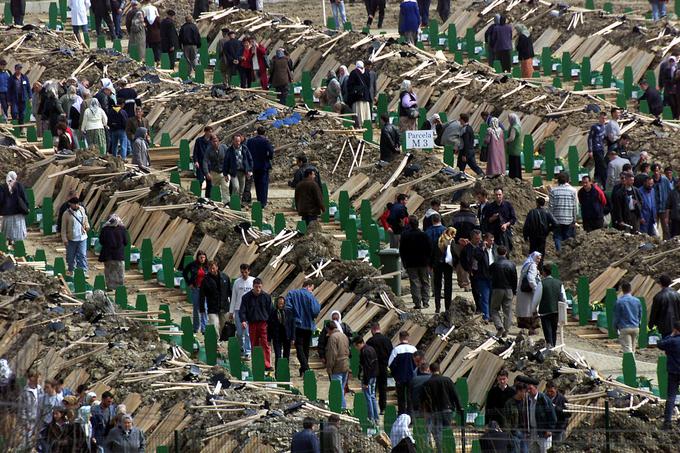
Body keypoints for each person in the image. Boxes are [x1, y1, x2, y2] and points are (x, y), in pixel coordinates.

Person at [421, 362, 462, 453]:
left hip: (435, 411)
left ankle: (440, 450)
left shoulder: (427, 383)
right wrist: (459, 408)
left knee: (437, 433)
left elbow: (425, 399)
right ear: (439, 369)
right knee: (447, 431)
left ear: (430, 370)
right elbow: (454, 394)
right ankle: (449, 449)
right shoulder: (447, 380)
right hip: (448, 409)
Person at [286, 280, 321, 376]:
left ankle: (304, 368)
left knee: (299, 347)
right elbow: (315, 311)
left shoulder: (291, 293)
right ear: (309, 286)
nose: (312, 291)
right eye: (312, 289)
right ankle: (304, 369)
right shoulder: (311, 297)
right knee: (305, 348)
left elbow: (288, 308)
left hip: (297, 325)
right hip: (309, 325)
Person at [240, 277, 274, 370]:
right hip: (252, 323)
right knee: (254, 344)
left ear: (261, 286)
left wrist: (271, 324)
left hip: (263, 323)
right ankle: (256, 364)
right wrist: (243, 320)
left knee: (265, 344)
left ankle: (267, 364)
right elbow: (242, 310)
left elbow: (271, 311)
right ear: (253, 286)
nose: (258, 289)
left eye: (259, 287)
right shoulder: (246, 297)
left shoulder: (266, 297)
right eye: (256, 287)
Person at [400, 216, 432, 309]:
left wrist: (404, 262)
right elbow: (430, 249)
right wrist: (429, 261)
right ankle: (425, 301)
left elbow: (402, 250)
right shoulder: (424, 235)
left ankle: (417, 302)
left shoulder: (405, 236)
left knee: (414, 282)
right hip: (423, 262)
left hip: (410, 263)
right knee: (425, 281)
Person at [489, 246, 516, 338]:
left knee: (494, 309)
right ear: (506, 253)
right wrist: (514, 290)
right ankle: (506, 331)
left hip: (497, 289)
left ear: (497, 253)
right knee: (507, 311)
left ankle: (499, 326)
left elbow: (489, 276)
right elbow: (514, 279)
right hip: (508, 289)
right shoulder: (511, 264)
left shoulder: (494, 265)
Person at [658, 320, 680, 430]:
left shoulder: (672, 341)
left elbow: (660, 343)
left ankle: (667, 422)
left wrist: (671, 335)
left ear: (675, 330)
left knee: (671, 397)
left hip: (674, 371)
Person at [451, 201, 478, 291]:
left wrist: (458, 239)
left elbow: (451, 230)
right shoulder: (473, 217)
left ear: (461, 206)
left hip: (458, 243)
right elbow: (477, 230)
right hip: (470, 242)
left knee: (459, 262)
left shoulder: (455, 217)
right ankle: (467, 283)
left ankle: (461, 282)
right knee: (469, 261)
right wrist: (470, 240)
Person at [426, 214, 451, 313]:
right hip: (447, 261)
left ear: (432, 221)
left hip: (435, 262)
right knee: (448, 284)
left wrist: (429, 264)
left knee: (437, 285)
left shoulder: (427, 232)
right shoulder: (447, 231)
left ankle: (437, 307)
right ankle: (448, 307)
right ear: (440, 220)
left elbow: (427, 250)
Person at [389, 330, 418, 415]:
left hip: (400, 378)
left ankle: (401, 414)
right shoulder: (413, 349)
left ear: (400, 338)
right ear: (408, 338)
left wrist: (395, 375)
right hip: (411, 377)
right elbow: (418, 363)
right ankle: (410, 415)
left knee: (401, 398)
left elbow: (390, 364)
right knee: (410, 398)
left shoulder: (396, 350)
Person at [352, 337, 379, 425]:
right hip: (374, 375)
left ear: (359, 344)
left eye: (356, 346)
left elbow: (367, 367)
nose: (356, 348)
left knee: (368, 398)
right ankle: (376, 418)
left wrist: (366, 382)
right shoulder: (371, 348)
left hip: (368, 377)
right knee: (373, 397)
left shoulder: (364, 352)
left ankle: (370, 418)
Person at [200, 261, 232, 336]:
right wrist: (202, 308)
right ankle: (216, 341)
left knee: (224, 326)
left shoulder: (225, 277)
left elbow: (230, 292)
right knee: (214, 325)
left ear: (217, 268)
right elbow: (202, 295)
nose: (212, 270)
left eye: (213, 268)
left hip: (224, 306)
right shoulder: (205, 280)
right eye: (210, 269)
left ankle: (221, 340)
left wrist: (232, 306)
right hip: (212, 306)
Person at [367, 322, 392, 414]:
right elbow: (391, 353)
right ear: (379, 328)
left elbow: (367, 355)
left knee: (372, 388)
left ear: (372, 330)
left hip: (373, 367)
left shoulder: (370, 341)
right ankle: (383, 408)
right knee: (383, 388)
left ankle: (372, 409)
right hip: (383, 367)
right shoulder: (387, 340)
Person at [230, 263, 255, 359]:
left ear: (249, 271)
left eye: (245, 272)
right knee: (240, 333)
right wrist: (231, 312)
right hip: (238, 309)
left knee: (248, 332)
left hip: (249, 310)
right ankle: (241, 348)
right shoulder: (237, 282)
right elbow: (234, 297)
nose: (244, 274)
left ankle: (248, 351)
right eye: (242, 272)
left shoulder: (253, 281)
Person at [246, 127, 275, 207]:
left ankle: (259, 200)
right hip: (263, 165)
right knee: (264, 184)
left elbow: (247, 152)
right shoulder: (265, 141)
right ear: (264, 133)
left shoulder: (250, 141)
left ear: (257, 132)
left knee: (257, 184)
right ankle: (263, 202)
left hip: (254, 165)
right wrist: (268, 158)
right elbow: (271, 152)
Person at [482, 188, 517, 254]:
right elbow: (485, 221)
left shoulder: (508, 205)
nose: (498, 196)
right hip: (494, 235)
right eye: (496, 195)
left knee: (506, 253)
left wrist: (506, 224)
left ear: (502, 195)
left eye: (499, 194)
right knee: (495, 254)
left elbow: (513, 219)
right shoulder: (489, 207)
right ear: (494, 195)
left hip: (505, 233)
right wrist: (492, 218)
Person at [526, 379, 557, 453]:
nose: (529, 391)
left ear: (535, 388)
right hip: (533, 431)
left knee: (544, 450)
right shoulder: (528, 400)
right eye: (528, 389)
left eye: (530, 388)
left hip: (543, 432)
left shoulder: (544, 399)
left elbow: (552, 416)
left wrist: (549, 429)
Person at [549, 172, 577, 251]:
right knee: (568, 238)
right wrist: (574, 219)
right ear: (568, 180)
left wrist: (551, 220)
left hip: (556, 220)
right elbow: (575, 207)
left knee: (557, 237)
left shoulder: (553, 191)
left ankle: (559, 252)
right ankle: (566, 255)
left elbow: (551, 207)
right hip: (568, 219)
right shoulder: (573, 191)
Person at [61, 197, 90, 276]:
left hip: (82, 237)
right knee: (71, 256)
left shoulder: (82, 210)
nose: (76, 205)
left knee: (82, 254)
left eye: (77, 204)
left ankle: (83, 271)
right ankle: (71, 270)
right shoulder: (66, 214)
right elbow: (63, 227)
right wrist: (64, 239)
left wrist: (87, 226)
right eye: (75, 204)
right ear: (70, 204)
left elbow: (85, 218)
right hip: (71, 238)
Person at [97, 214, 127, 290]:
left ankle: (110, 287)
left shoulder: (105, 229)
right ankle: (120, 288)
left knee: (109, 271)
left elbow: (101, 241)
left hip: (107, 254)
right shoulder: (122, 229)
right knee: (119, 272)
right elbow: (126, 242)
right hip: (119, 254)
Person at [538, 265, 565, 347]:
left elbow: (536, 298)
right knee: (554, 330)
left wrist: (533, 309)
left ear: (543, 272)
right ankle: (553, 346)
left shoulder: (541, 283)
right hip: (556, 311)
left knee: (547, 330)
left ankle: (550, 346)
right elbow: (563, 298)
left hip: (544, 311)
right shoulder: (559, 283)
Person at [325, 321, 350, 408]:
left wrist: (329, 368)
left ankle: (342, 408)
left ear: (328, 329)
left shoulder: (333, 338)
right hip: (346, 365)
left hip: (337, 367)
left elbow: (332, 354)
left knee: (337, 391)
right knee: (341, 389)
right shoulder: (344, 336)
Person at [183, 251, 209, 334]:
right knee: (196, 308)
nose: (202, 259)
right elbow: (185, 272)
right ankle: (195, 327)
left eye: (204, 257)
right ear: (198, 257)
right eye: (201, 257)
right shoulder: (193, 265)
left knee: (204, 308)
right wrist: (189, 283)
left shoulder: (207, 266)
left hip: (204, 289)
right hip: (196, 288)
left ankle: (204, 328)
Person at [613, 280, 642, 355]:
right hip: (635, 327)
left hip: (624, 327)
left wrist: (615, 327)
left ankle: (630, 366)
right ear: (630, 289)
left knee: (627, 348)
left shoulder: (619, 302)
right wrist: (639, 324)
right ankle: (633, 364)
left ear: (622, 290)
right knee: (633, 348)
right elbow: (640, 314)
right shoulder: (637, 301)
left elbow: (617, 316)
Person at [517, 251, 542, 334]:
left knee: (525, 310)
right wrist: (536, 289)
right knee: (532, 310)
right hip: (529, 293)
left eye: (539, 259)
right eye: (537, 258)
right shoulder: (533, 266)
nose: (539, 260)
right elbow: (531, 279)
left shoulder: (527, 264)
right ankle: (531, 329)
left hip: (524, 292)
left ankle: (525, 329)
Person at [0, 171, 28, 245]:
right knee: (18, 231)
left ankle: (9, 243)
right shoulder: (19, 185)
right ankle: (18, 245)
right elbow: (24, 198)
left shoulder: (3, 187)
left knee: (7, 232)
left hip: (7, 214)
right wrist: (26, 207)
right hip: (18, 213)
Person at [222, 133, 253, 200]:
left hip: (243, 172)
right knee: (236, 187)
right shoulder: (229, 150)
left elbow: (250, 160)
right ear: (233, 141)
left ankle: (238, 202)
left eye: (239, 141)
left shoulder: (244, 149)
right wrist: (225, 174)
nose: (238, 143)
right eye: (236, 141)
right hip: (234, 172)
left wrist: (250, 170)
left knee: (241, 189)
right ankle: (233, 201)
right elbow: (226, 162)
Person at [268, 296, 292, 370]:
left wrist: (293, 337)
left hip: (286, 336)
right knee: (278, 355)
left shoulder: (288, 312)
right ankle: (278, 372)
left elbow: (292, 325)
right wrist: (269, 339)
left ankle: (285, 371)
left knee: (286, 355)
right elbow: (269, 327)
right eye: (279, 304)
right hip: (277, 337)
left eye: (282, 304)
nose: (281, 305)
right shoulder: (273, 313)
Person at [346, 61, 372, 127]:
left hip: (357, 96)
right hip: (365, 95)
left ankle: (359, 124)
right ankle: (367, 124)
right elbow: (368, 84)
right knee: (366, 111)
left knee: (359, 111)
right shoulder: (367, 72)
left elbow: (350, 85)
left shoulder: (354, 72)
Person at [652, 163, 673, 239]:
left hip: (664, 208)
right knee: (654, 228)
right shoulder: (651, 181)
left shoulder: (665, 180)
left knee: (665, 228)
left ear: (660, 170)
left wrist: (670, 206)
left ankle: (666, 243)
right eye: (654, 171)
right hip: (654, 208)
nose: (656, 172)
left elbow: (671, 192)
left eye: (657, 170)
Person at [588, 111, 608, 188]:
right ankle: (604, 183)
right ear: (599, 118)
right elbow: (589, 138)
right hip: (596, 149)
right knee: (603, 166)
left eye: (605, 118)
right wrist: (590, 150)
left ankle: (596, 181)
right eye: (602, 118)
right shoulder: (595, 127)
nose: (604, 120)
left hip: (602, 149)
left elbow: (604, 138)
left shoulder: (605, 127)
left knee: (598, 166)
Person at [193, 126, 213, 198]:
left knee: (209, 182)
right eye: (209, 132)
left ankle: (208, 197)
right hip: (201, 163)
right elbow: (195, 152)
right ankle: (198, 196)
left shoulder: (212, 141)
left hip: (209, 164)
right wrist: (196, 161)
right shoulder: (199, 140)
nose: (210, 133)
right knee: (200, 180)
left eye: (211, 132)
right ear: (205, 132)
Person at [506, 113, 523, 179]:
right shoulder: (518, 126)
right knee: (517, 163)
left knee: (513, 163)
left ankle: (514, 177)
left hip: (513, 147)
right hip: (517, 147)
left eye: (509, 119)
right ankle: (518, 176)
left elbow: (511, 138)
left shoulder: (514, 128)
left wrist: (505, 141)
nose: (508, 120)